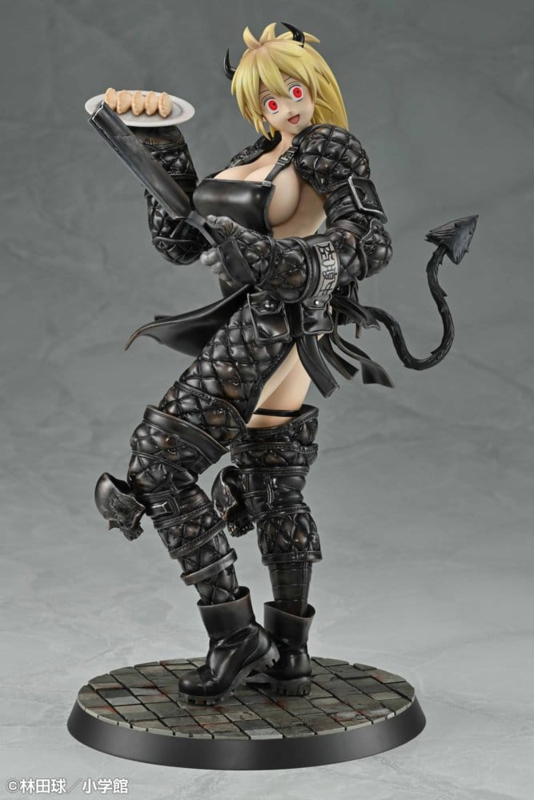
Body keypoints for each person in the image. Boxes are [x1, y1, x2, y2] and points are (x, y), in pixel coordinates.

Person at [94, 22, 393, 705]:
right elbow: (180, 240)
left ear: (316, 88)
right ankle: (289, 653)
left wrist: (266, 256)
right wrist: (161, 142)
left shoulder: (331, 148)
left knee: (158, 462)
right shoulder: (258, 153)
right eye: (268, 100)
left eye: (295, 92)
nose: (284, 108)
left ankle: (233, 634)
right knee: (270, 482)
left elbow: (369, 243)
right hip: (251, 322)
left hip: (280, 324)